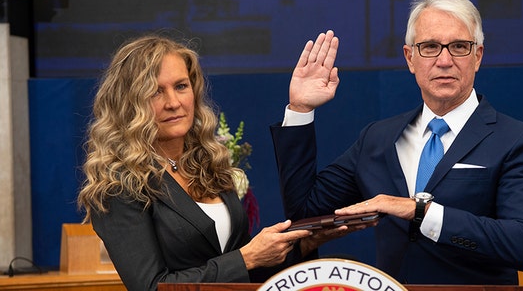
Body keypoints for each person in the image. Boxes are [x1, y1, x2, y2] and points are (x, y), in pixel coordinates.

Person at [270, 0, 523, 285]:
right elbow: (304, 214)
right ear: (410, 58)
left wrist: (421, 212)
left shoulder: (515, 140)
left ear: (477, 56)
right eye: (429, 47)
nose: (444, 60)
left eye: (459, 46)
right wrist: (300, 110)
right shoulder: (377, 138)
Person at [77, 35, 347, 290]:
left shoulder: (209, 164)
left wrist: (304, 244)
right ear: (128, 104)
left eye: (181, 86)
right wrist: (247, 257)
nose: (173, 102)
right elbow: (151, 286)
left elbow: (241, 274)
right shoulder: (119, 185)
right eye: (155, 92)